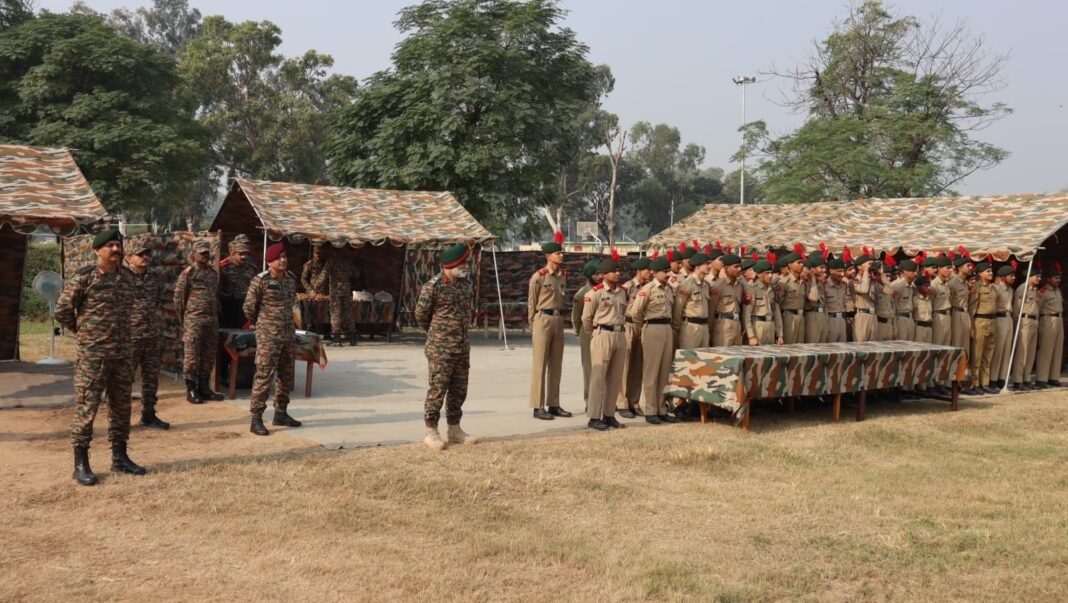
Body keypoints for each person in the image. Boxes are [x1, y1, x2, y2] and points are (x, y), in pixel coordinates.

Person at [55, 229, 146, 486]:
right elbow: (63, 311)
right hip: (93, 356)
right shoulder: (85, 278)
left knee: (121, 407)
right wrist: (83, 332)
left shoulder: (128, 278)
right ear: (98, 251)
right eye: (110, 246)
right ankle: (81, 463)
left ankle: (120, 457)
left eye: (118, 245)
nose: (116, 250)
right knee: (87, 407)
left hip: (122, 355)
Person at [414, 243, 477, 449]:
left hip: (461, 346)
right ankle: (431, 431)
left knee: (459, 389)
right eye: (463, 263)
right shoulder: (433, 286)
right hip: (440, 347)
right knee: (438, 389)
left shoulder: (464, 284)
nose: (466, 266)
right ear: (451, 264)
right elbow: (421, 315)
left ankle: (454, 429)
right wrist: (435, 334)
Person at [242, 243, 302, 436]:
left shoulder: (291, 279)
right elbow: (249, 308)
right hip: (268, 337)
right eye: (279, 258)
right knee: (264, 377)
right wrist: (263, 325)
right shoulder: (260, 281)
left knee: (286, 377)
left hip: (287, 336)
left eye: (284, 257)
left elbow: (292, 306)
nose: (283, 260)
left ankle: (281, 413)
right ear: (270, 261)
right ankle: (256, 418)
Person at [527, 234, 572, 420]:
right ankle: (538, 406)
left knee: (556, 365)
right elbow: (532, 302)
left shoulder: (562, 277)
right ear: (548, 256)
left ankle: (554, 404)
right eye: (557, 253)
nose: (561, 256)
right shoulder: (539, 277)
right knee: (540, 365)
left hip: (558, 319)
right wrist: (533, 323)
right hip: (543, 319)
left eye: (561, 253)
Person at [125, 241, 169, 430]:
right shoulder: (121, 277)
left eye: (147, 254)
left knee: (151, 378)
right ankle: (120, 420)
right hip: (129, 337)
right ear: (129, 258)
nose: (145, 258)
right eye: (140, 254)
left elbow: (157, 300)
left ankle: (149, 415)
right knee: (124, 379)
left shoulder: (154, 277)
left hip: (150, 335)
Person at [174, 239, 224, 404]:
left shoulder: (212, 273)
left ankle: (204, 387)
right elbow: (179, 299)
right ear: (193, 255)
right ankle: (191, 389)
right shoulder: (188, 274)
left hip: (211, 319)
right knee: (192, 355)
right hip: (194, 319)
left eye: (206, 253)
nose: (205, 256)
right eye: (201, 253)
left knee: (208, 355)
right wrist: (186, 320)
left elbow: (215, 296)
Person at [582, 256, 628, 431]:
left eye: (618, 271)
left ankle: (609, 415)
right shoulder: (595, 293)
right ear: (603, 274)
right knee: (598, 378)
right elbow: (586, 319)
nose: (617, 274)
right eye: (613, 271)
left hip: (619, 334)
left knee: (615, 378)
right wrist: (594, 333)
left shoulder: (623, 292)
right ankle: (594, 416)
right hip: (602, 334)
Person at [632, 257, 678, 424]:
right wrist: (643, 327)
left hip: (666, 328)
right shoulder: (648, 289)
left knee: (664, 372)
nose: (668, 274)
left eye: (669, 271)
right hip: (652, 327)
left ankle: (661, 408)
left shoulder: (669, 289)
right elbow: (636, 312)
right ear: (655, 273)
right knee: (651, 371)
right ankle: (650, 409)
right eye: (665, 272)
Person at [617, 257, 651, 418]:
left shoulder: (649, 287)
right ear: (639, 271)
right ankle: (622, 403)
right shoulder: (628, 287)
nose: (650, 273)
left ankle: (634, 402)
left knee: (638, 366)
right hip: (629, 325)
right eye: (647, 270)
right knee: (625, 366)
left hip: (642, 326)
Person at [571, 259, 601, 410]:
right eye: (596, 274)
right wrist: (579, 334)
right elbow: (576, 318)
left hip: (602, 331)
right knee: (589, 368)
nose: (599, 277)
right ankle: (589, 401)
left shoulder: (603, 291)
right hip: (587, 332)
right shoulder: (581, 294)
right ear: (589, 275)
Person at [966, 262, 998, 395]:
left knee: (988, 355)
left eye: (991, 271)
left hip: (992, 321)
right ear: (979, 273)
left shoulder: (993, 288)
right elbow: (972, 308)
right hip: (980, 321)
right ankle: (975, 383)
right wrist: (972, 327)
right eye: (987, 271)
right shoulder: (976, 287)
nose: (990, 273)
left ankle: (985, 382)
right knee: (977, 355)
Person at [672, 252, 713, 349]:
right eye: (706, 264)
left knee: (704, 359)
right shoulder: (687, 284)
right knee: (688, 358)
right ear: (698, 266)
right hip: (690, 327)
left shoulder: (706, 285)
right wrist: (677, 328)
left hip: (704, 327)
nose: (709, 266)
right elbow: (678, 307)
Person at [1010, 269, 1042, 390]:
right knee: (1022, 352)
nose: (1039, 279)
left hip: (1034, 321)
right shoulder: (1022, 289)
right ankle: (1018, 380)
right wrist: (1017, 324)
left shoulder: (1034, 290)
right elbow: (1017, 309)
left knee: (1030, 352)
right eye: (1037, 276)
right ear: (1030, 276)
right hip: (1024, 320)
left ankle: (1026, 378)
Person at [218, 234, 258, 328]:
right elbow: (216, 287)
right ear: (233, 253)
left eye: (246, 254)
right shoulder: (223, 267)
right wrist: (227, 296)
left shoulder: (251, 268)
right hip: (227, 306)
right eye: (241, 254)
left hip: (245, 307)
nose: (244, 257)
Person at [1034, 264, 1064, 388]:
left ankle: (1053, 377)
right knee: (1046, 350)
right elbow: (1037, 307)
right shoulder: (1043, 291)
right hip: (1047, 319)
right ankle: (1041, 378)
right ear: (1048, 279)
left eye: (1059, 278)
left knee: (1057, 349)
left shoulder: (1058, 290)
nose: (1058, 280)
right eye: (1055, 278)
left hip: (1059, 319)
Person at [989, 265, 1017, 389]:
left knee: (1007, 350)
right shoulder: (996, 288)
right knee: (998, 350)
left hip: (1008, 318)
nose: (1014, 278)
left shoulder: (1011, 290)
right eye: (1011, 276)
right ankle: (993, 378)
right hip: (999, 318)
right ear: (1002, 277)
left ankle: (1002, 378)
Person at [322, 250, 357, 346]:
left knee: (335, 314)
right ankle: (353, 339)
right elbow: (355, 274)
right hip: (346, 290)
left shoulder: (331, 261)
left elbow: (323, 275)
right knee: (348, 314)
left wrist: (315, 289)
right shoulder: (347, 261)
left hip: (335, 291)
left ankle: (337, 340)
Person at [744, 260, 784, 345]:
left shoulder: (773, 290)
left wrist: (779, 334)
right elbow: (747, 314)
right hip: (758, 327)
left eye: (771, 273)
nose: (770, 276)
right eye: (767, 273)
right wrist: (751, 336)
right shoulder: (752, 289)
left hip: (771, 326)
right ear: (758, 274)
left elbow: (777, 313)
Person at [709, 254, 744, 346]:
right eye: (736, 267)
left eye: (740, 266)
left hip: (737, 324)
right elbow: (711, 309)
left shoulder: (739, 286)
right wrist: (710, 330)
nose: (739, 269)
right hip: (723, 325)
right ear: (726, 268)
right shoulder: (718, 286)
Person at [777, 252, 806, 343]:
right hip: (789, 318)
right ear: (790, 265)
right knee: (789, 347)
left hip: (801, 317)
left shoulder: (802, 282)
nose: (802, 265)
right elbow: (778, 304)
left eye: (802, 262)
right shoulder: (784, 282)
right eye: (798, 262)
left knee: (800, 348)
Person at [851, 252, 876, 342]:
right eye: (869, 264)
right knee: (860, 347)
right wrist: (865, 272)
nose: (871, 266)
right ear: (859, 267)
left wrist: (881, 274)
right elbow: (864, 289)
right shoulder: (854, 280)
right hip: (862, 316)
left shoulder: (872, 279)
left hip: (873, 316)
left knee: (873, 349)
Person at [803, 254, 828, 343]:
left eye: (824, 268)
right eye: (821, 267)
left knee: (822, 348)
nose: (824, 270)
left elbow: (824, 304)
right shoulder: (806, 282)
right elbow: (813, 298)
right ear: (812, 269)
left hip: (822, 316)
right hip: (812, 316)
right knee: (812, 346)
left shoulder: (819, 283)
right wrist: (813, 279)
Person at [891, 259, 918, 341]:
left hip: (910, 319)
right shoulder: (897, 285)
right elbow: (892, 307)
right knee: (901, 347)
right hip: (900, 320)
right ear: (903, 272)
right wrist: (894, 326)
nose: (916, 273)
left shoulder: (911, 285)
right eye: (913, 271)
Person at [824, 257, 849, 343]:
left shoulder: (844, 285)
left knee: (843, 350)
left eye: (843, 271)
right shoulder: (824, 285)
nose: (842, 274)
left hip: (842, 320)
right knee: (830, 349)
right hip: (830, 321)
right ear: (831, 271)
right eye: (839, 271)